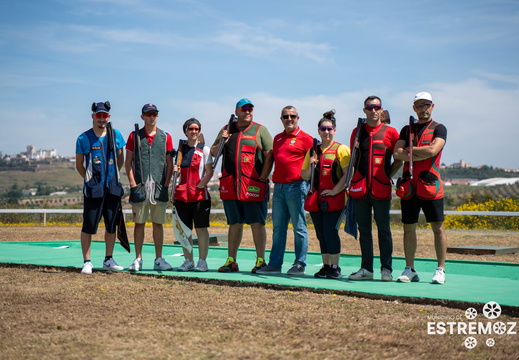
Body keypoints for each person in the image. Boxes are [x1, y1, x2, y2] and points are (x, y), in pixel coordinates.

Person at [210, 98, 273, 273]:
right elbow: (214, 152)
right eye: (244, 108)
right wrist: (223, 139)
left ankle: (260, 261)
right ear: (236, 111)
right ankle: (231, 261)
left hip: (253, 186)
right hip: (230, 186)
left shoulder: (261, 130)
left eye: (250, 108)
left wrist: (262, 178)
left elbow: (270, 155)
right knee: (234, 223)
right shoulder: (227, 129)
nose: (248, 111)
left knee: (257, 223)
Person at [393, 92, 448, 284]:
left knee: (438, 228)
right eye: (418, 105)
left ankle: (440, 269)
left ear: (432, 106)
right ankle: (410, 269)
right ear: (414, 107)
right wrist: (416, 153)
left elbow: (433, 150)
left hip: (430, 185)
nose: (422, 108)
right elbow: (397, 153)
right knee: (409, 229)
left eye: (426, 104)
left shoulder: (439, 128)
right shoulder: (406, 129)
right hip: (409, 187)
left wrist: (410, 150)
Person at [347, 96, 403, 282]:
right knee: (364, 230)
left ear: (381, 110)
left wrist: (387, 174)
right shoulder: (357, 131)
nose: (373, 110)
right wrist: (351, 182)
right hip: (360, 189)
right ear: (364, 110)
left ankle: (386, 270)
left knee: (384, 230)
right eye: (369, 107)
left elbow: (399, 159)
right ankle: (366, 269)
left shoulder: (391, 132)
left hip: (381, 189)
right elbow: (354, 161)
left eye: (376, 107)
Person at [256, 106, 313, 276]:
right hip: (279, 188)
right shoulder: (278, 139)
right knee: (278, 229)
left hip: (297, 187)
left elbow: (314, 164)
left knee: (299, 228)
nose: (289, 119)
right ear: (281, 118)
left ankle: (299, 264)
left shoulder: (307, 139)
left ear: (298, 118)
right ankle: (274, 264)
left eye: (293, 116)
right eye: (286, 116)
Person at [75, 101, 126, 274]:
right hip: (93, 190)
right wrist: (90, 180)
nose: (102, 119)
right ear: (93, 116)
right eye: (99, 115)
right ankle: (87, 261)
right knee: (88, 226)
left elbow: (121, 158)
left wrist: (113, 177)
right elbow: (79, 165)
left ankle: (108, 259)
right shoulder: (83, 138)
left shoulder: (116, 135)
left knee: (111, 226)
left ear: (109, 117)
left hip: (112, 188)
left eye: (105, 116)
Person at [301, 110, 350, 279]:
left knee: (331, 231)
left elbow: (347, 174)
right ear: (318, 131)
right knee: (321, 234)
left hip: (335, 199)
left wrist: (335, 190)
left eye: (329, 129)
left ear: (334, 130)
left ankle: (336, 267)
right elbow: (304, 175)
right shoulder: (312, 151)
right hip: (317, 199)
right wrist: (311, 165)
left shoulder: (341, 149)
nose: (326, 132)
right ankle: (326, 266)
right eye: (323, 129)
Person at [125, 104, 174, 271]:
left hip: (159, 186)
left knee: (158, 223)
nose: (151, 117)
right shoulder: (134, 136)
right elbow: (128, 162)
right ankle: (138, 258)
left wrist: (166, 184)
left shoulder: (166, 137)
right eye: (148, 114)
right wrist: (133, 184)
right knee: (139, 223)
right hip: (140, 186)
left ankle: (158, 258)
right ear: (142, 117)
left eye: (154, 114)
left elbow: (169, 163)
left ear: (157, 116)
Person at [173, 118, 214, 272]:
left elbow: (209, 172)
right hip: (182, 197)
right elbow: (175, 173)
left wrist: (199, 187)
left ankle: (202, 262)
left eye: (197, 129)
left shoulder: (205, 150)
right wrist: (175, 171)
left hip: (200, 197)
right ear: (185, 131)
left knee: (201, 229)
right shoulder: (180, 150)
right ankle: (188, 260)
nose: (194, 131)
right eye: (191, 129)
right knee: (185, 231)